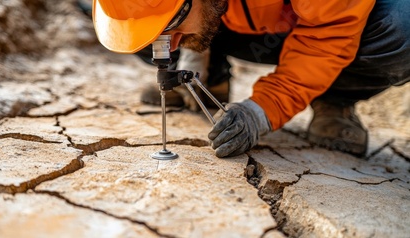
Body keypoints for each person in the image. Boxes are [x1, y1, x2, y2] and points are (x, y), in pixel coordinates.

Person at [91, 0, 409, 158]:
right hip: (230, 15)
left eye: (173, 25)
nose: (169, 43)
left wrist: (264, 109)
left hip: (319, 23)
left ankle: (335, 98)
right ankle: (210, 78)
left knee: (402, 28)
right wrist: (194, 45)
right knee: (155, 34)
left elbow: (329, 34)